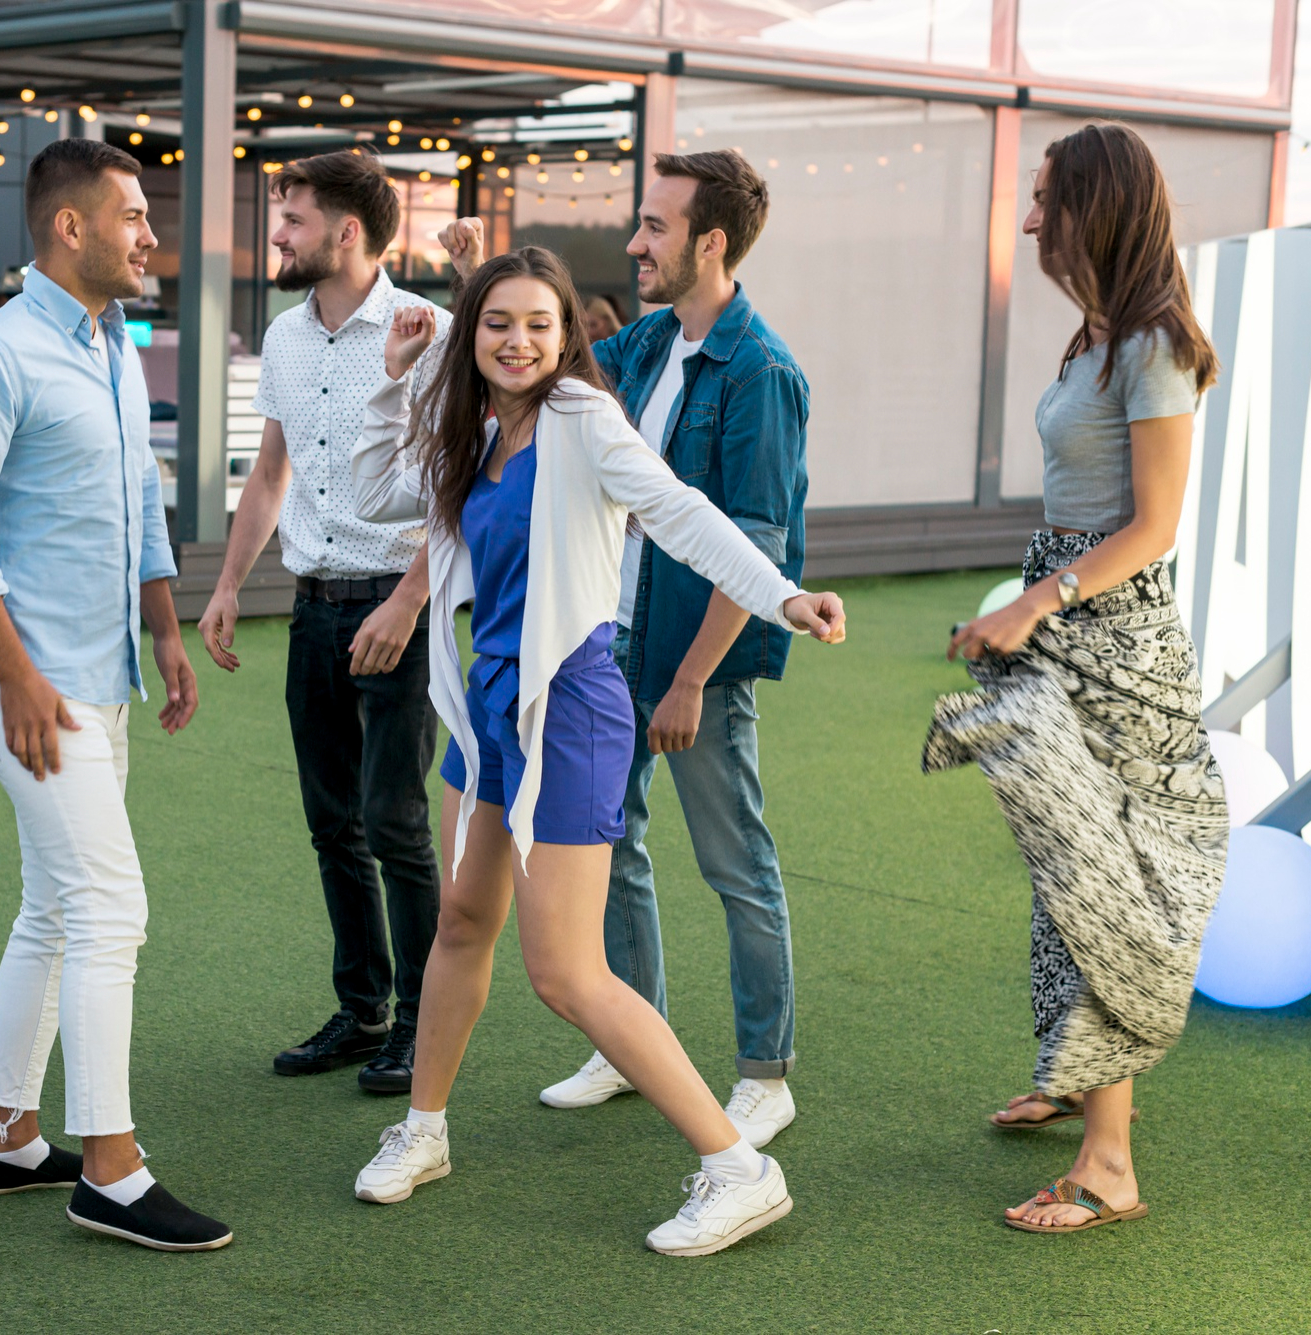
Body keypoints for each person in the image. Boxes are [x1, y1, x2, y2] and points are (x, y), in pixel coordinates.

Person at [348, 246, 845, 1256]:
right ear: (470, 332)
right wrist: (392, 382)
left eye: (537, 323)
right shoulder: (475, 429)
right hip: (492, 704)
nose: (516, 341)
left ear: (565, 333)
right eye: (496, 323)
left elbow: (679, 513)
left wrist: (781, 597)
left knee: (566, 974)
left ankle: (737, 1166)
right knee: (458, 922)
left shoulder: (580, 420)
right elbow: (368, 497)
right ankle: (424, 1130)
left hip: (568, 707)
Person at [441, 151, 811, 1152]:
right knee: (618, 853)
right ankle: (625, 1041)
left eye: (653, 227)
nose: (634, 245)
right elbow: (516, 369)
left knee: (734, 862)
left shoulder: (762, 372)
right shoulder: (641, 345)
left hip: (697, 653)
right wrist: (471, 279)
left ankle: (760, 1073)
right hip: (605, 642)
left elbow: (735, 528)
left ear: (710, 242)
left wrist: (692, 675)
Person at [0, 137, 230, 1251]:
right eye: (135, 216)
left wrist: (165, 630)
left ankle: (7, 1136)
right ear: (70, 227)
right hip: (29, 684)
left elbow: (138, 501)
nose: (150, 236)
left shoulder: (108, 343)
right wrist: (10, 673)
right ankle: (111, 1167)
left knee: (55, 908)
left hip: (102, 675)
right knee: (110, 910)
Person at [925, 123, 1226, 1234]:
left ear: (1094, 204)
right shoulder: (1094, 335)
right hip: (1064, 617)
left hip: (1116, 639)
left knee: (1099, 882)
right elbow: (1074, 517)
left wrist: (1033, 602)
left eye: (1045, 196)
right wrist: (1019, 605)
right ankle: (1070, 1073)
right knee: (1062, 871)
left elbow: (1150, 528)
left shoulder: (1151, 342)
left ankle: (1108, 1166)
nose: (1028, 217)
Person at [197, 150, 446, 1094]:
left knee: (396, 819)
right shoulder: (287, 335)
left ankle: (425, 1021)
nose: (278, 235)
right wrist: (226, 586)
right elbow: (272, 472)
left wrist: (408, 599)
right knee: (332, 820)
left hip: (400, 608)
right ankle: (365, 1008)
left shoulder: (435, 329)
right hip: (312, 610)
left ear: (348, 231)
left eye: (292, 219)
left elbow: (459, 489)